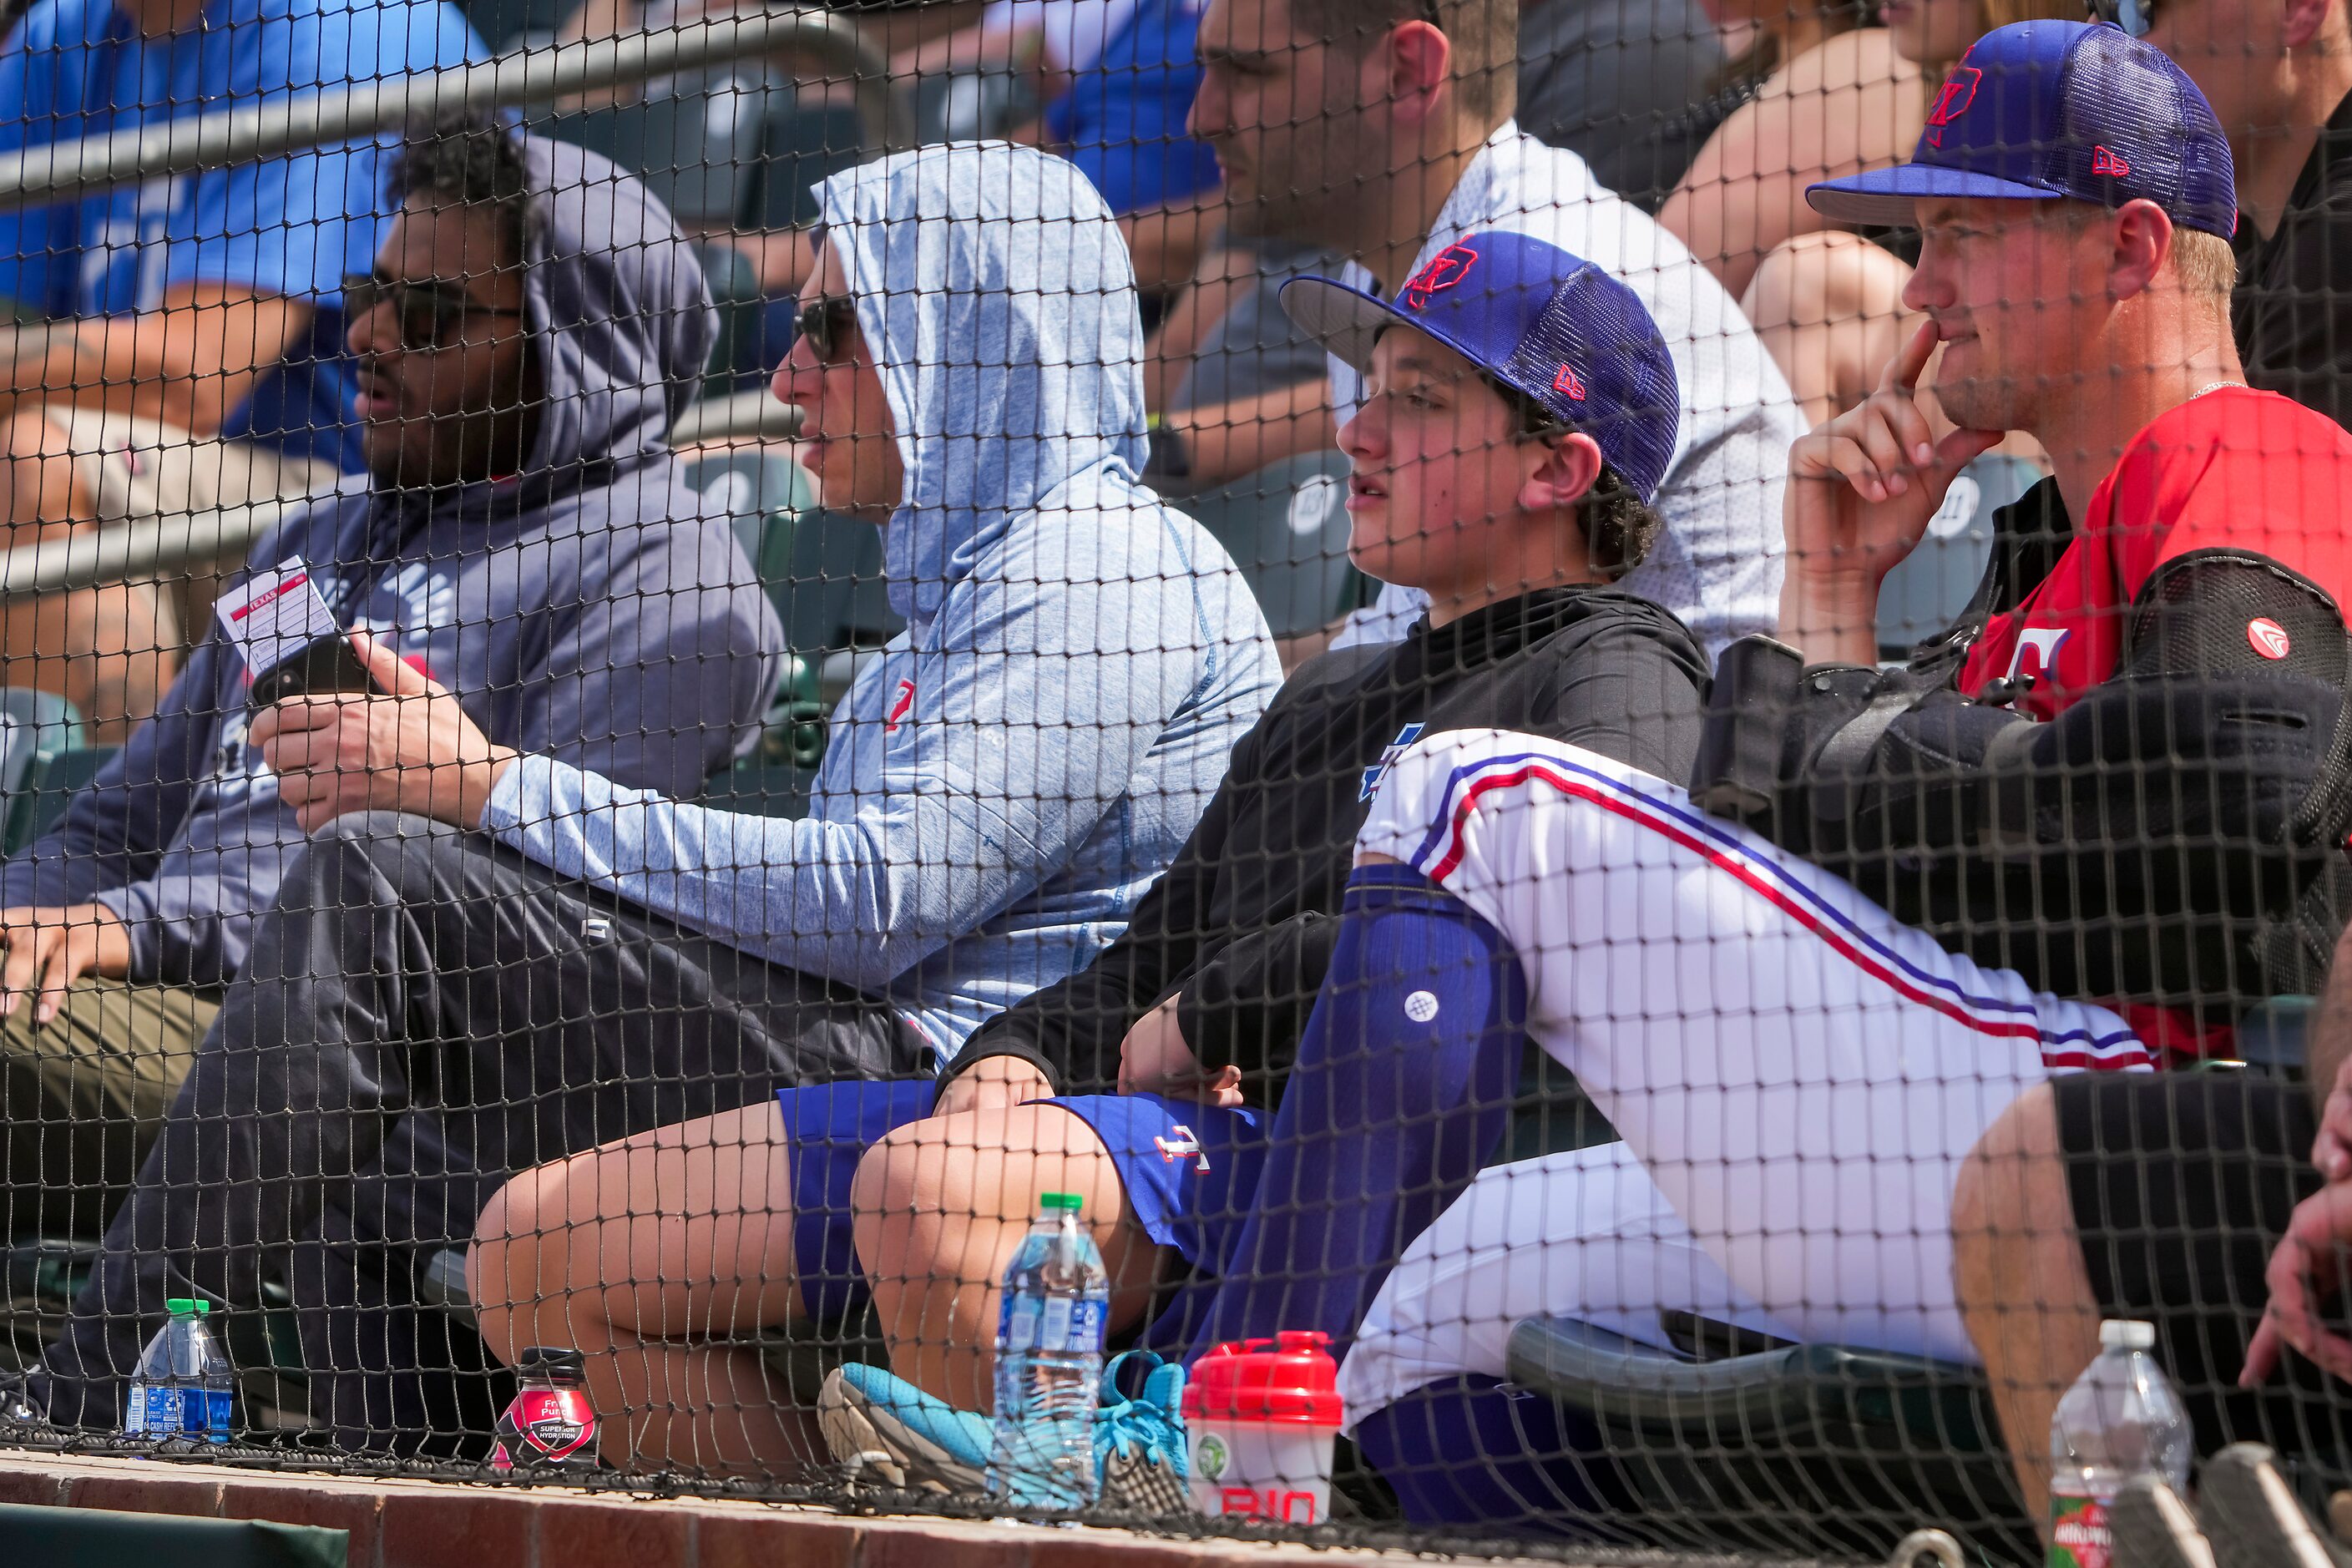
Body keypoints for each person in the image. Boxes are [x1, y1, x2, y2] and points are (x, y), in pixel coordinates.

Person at [1181, 20, 2352, 1530]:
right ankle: (1285, 1476)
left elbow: (2246, 765)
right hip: (1929, 1089)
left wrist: (1854, 749)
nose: (1920, 286)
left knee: (1476, 794)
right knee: (1437, 1299)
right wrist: (1828, 601)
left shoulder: (2243, 448)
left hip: (2110, 1105)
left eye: (1960, 237)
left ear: (2128, 246)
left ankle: (1206, 1436)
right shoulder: (2044, 553)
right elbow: (1758, 812)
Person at [16, 139, 1277, 1450]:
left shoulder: (1103, 561)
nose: (786, 376)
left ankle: (84, 1393)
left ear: (965, 339)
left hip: (980, 1097)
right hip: (855, 1057)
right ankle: (403, 1497)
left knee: (380, 886)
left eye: (833, 332)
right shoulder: (944, 599)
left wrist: (485, 786)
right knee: (369, 1123)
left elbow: (881, 902)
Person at [463, 228, 1702, 1484]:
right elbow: (1149, 953)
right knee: (540, 1252)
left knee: (932, 1196)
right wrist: (1015, 1054)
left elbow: (1545, 918)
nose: (1357, 434)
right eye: (1370, 392)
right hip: (1132, 1136)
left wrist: (1219, 1009)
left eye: (1419, 405)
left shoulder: (1618, 664)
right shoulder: (1333, 693)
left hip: (1341, 1180)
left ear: (1558, 465)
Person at [0, 116, 783, 1249]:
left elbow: (490, 925)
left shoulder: (663, 577)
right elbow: (125, 819)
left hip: (329, 1073)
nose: (366, 335)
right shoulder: (316, 543)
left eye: (426, 315)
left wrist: (132, 926)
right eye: (371, 291)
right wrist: (28, 911)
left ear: (571, 345)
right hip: (146, 990)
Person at [1178, 0, 1798, 660]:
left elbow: (1437, 661)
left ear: (1406, 70)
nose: (1202, 119)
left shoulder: (1553, 281)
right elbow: (1409, 643)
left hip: (1693, 742)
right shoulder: (1401, 272)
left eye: (1247, 72)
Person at [0, 0, 482, 740]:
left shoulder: (343, 26)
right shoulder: (65, 35)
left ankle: (116, 827)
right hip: (196, 512)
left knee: (33, 461)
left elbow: (190, 379)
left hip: (370, 532)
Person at [2141, 0, 2352, 432]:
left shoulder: (2341, 240)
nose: (2103, 43)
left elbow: (2237, 484)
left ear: (2299, 7)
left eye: (2139, 11)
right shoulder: (2245, 242)